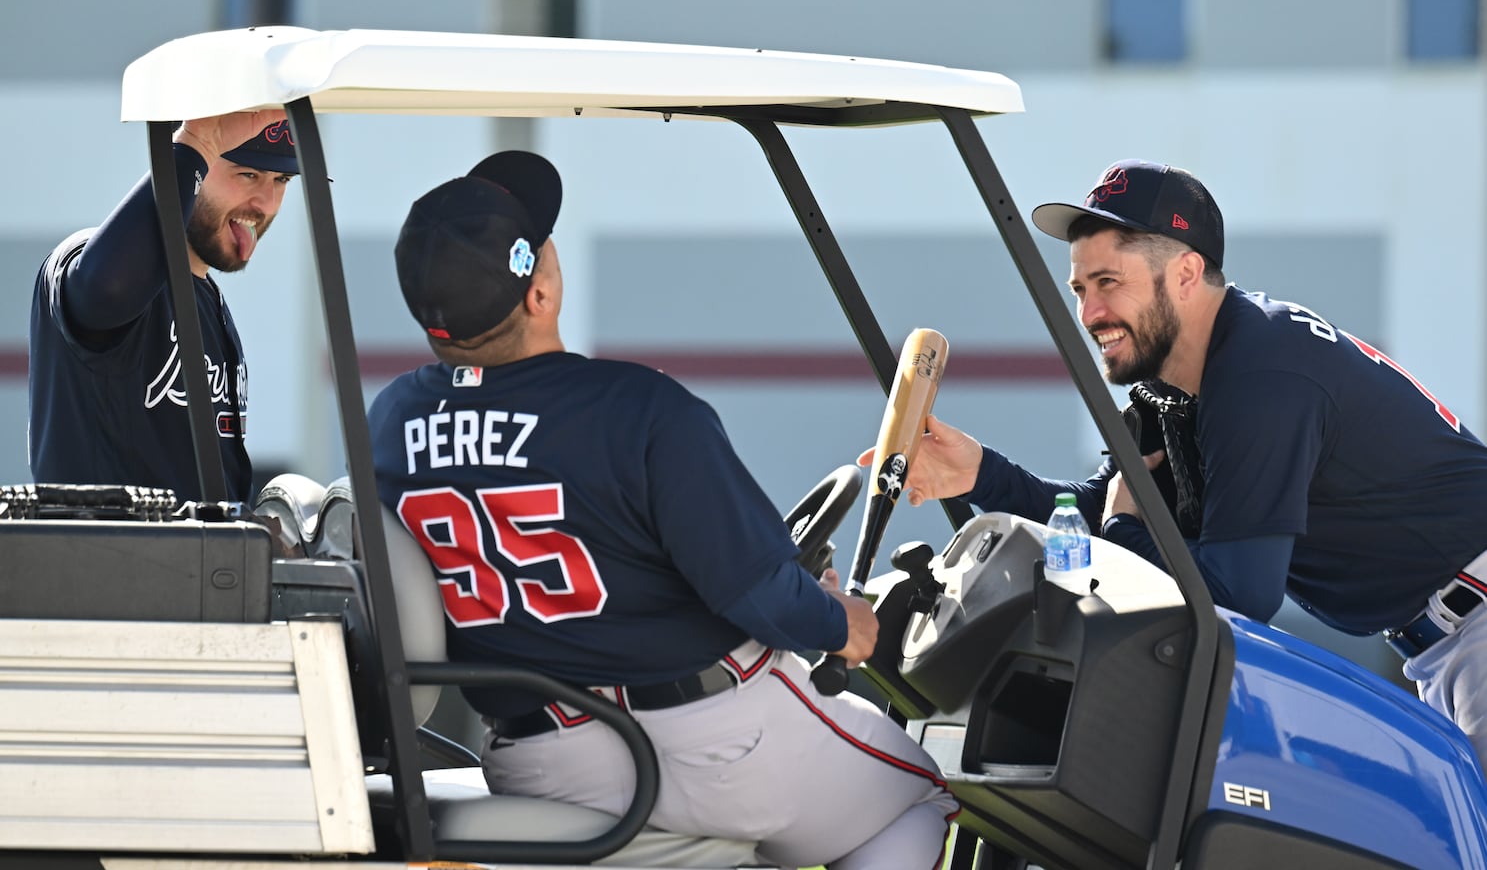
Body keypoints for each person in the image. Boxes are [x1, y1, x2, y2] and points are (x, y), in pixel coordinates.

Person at [368, 150, 960, 869]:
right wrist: (846, 624)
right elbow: (757, 592)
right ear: (538, 294)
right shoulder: (638, 407)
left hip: (541, 763)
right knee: (922, 800)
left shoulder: (391, 419)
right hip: (714, 741)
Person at [895, 158, 1487, 771]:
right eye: (1080, 289)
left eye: (1108, 282)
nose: (1090, 313)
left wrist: (1125, 531)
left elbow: (1236, 595)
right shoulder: (1176, 385)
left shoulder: (1258, 376)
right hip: (1445, 639)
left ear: (1185, 272)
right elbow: (1104, 509)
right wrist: (980, 474)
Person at [29, 111, 298, 503]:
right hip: (104, 561)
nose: (267, 203)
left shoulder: (209, 299)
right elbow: (108, 286)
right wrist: (200, 142)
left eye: (281, 180)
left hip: (199, 563)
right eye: (247, 175)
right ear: (194, 169)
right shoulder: (83, 261)